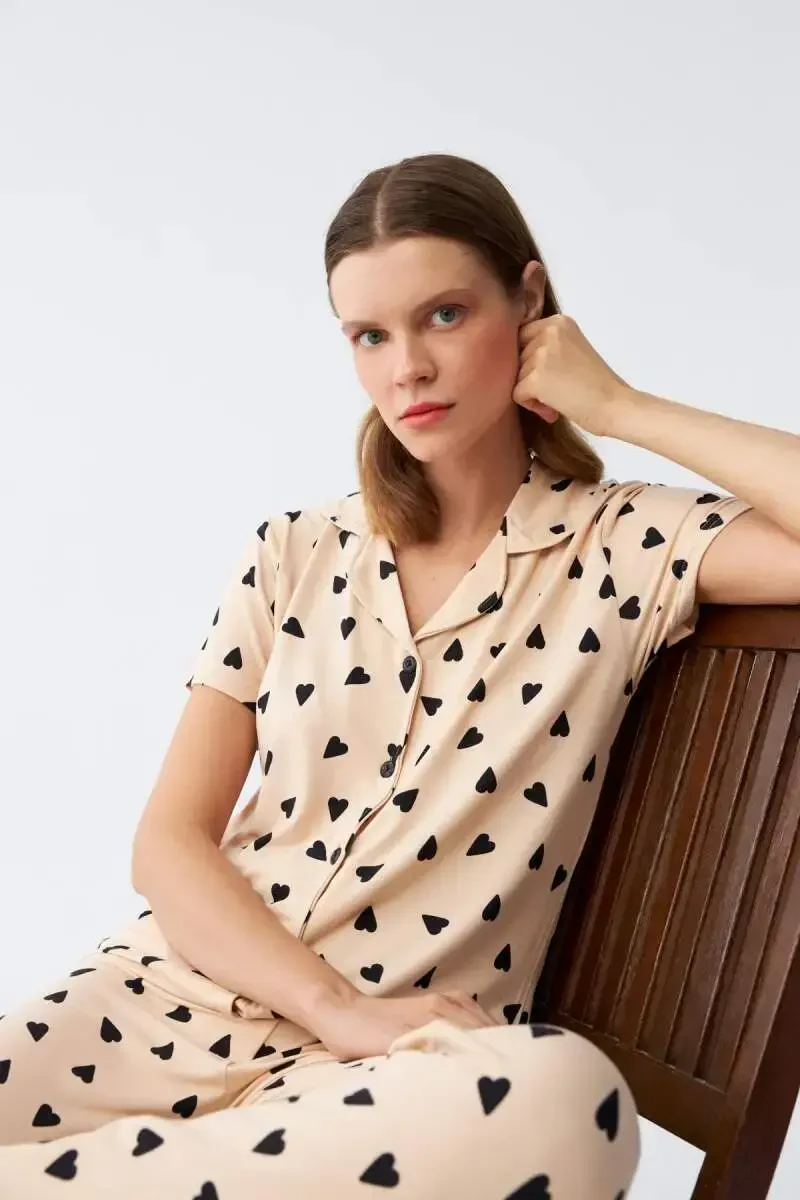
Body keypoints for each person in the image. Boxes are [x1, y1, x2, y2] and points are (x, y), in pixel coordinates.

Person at [4, 149, 766, 1199]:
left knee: (564, 1100)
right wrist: (332, 1007)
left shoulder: (625, 544)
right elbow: (168, 842)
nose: (406, 367)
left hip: (398, 1077)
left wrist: (620, 403)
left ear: (528, 302)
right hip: (163, 1002)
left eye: (443, 316)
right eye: (369, 335)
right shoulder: (290, 551)